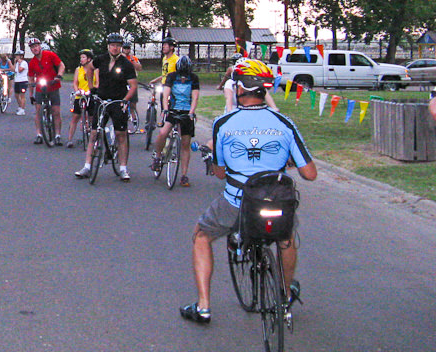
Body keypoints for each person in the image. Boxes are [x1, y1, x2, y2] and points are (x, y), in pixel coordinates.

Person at [179, 58, 317, 325]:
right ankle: (285, 295)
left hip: (237, 202)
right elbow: (310, 173)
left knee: (200, 236)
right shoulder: (284, 123)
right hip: (277, 201)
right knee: (286, 237)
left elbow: (219, 173)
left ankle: (204, 306)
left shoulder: (224, 124)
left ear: (240, 87)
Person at [74, 33, 138, 180]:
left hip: (117, 100)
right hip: (101, 100)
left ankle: (123, 168)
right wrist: (91, 88)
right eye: (112, 45)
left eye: (117, 46)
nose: (115, 48)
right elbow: (89, 68)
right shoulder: (101, 59)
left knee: (121, 134)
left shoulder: (126, 64)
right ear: (108, 46)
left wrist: (125, 100)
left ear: (121, 47)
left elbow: (133, 86)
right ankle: (87, 166)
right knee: (94, 132)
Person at [151, 55, 200, 187]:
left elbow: (195, 97)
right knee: (163, 133)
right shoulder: (172, 77)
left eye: (185, 75)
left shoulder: (194, 78)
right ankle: (158, 156)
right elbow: (166, 94)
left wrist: (191, 112)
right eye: (181, 75)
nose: (183, 78)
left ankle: (184, 175)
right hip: (173, 110)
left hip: (186, 112)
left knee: (185, 143)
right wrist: (165, 109)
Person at [27, 37, 66, 145]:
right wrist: (31, 94)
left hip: (53, 85)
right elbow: (31, 78)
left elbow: (61, 65)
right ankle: (39, 134)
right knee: (38, 110)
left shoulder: (50, 55)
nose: (34, 49)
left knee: (56, 111)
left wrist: (59, 75)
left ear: (40, 46)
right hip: (40, 87)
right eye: (32, 48)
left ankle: (58, 135)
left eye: (36, 46)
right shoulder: (32, 62)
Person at [66, 49, 95, 149]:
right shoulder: (78, 70)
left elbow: (97, 82)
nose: (81, 59)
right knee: (75, 117)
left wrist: (93, 91)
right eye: (81, 57)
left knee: (92, 118)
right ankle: (69, 140)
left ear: (89, 59)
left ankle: (93, 139)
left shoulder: (95, 70)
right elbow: (75, 82)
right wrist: (77, 90)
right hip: (80, 96)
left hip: (90, 95)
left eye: (83, 57)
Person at [122, 41, 142, 118]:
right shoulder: (119, 57)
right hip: (122, 81)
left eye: (128, 48)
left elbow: (139, 68)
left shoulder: (133, 58)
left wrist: (132, 60)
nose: (126, 50)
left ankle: (134, 117)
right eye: (125, 48)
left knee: (133, 102)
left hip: (132, 81)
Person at [13, 49, 29, 116]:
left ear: (21, 56)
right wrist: (15, 63)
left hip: (23, 81)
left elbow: (20, 70)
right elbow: (14, 70)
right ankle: (20, 106)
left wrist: (19, 63)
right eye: (16, 55)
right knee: (16, 95)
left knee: (22, 95)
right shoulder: (17, 63)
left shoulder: (24, 63)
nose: (16, 57)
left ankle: (22, 109)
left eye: (17, 56)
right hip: (17, 80)